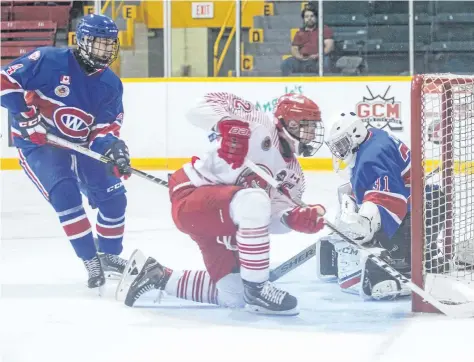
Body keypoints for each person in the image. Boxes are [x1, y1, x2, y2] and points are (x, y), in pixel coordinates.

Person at [121, 92, 326, 316]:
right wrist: (227, 124)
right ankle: (258, 288)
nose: (313, 134)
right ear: (291, 123)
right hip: (193, 195)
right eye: (309, 126)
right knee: (254, 200)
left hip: (223, 222)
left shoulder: (295, 176)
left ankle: (156, 275)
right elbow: (198, 106)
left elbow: (268, 218)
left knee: (234, 295)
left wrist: (291, 219)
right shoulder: (258, 123)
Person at [0, 14, 131, 289]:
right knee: (65, 194)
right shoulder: (48, 60)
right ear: (82, 41)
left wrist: (115, 150)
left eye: (110, 44)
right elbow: (4, 81)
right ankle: (89, 259)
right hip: (40, 142)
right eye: (99, 43)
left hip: (81, 144)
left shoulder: (111, 84)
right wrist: (25, 117)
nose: (106, 50)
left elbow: (103, 131)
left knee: (114, 200)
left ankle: (108, 255)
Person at [318, 112, 446, 300]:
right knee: (346, 194)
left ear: (355, 133)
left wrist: (363, 226)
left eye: (342, 144)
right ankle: (412, 252)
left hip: (421, 208)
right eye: (336, 145)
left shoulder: (373, 155)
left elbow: (390, 199)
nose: (339, 150)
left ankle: (411, 257)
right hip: (413, 200)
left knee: (369, 229)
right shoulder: (370, 139)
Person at [280, 5, 334, 76]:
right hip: (302, 60)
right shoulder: (299, 32)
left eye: (312, 16)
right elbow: (294, 48)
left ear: (316, 17)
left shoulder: (324, 29)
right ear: (304, 19)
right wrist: (299, 56)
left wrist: (318, 55)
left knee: (325, 62)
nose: (309, 18)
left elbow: (330, 46)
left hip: (318, 60)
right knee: (286, 63)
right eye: (306, 17)